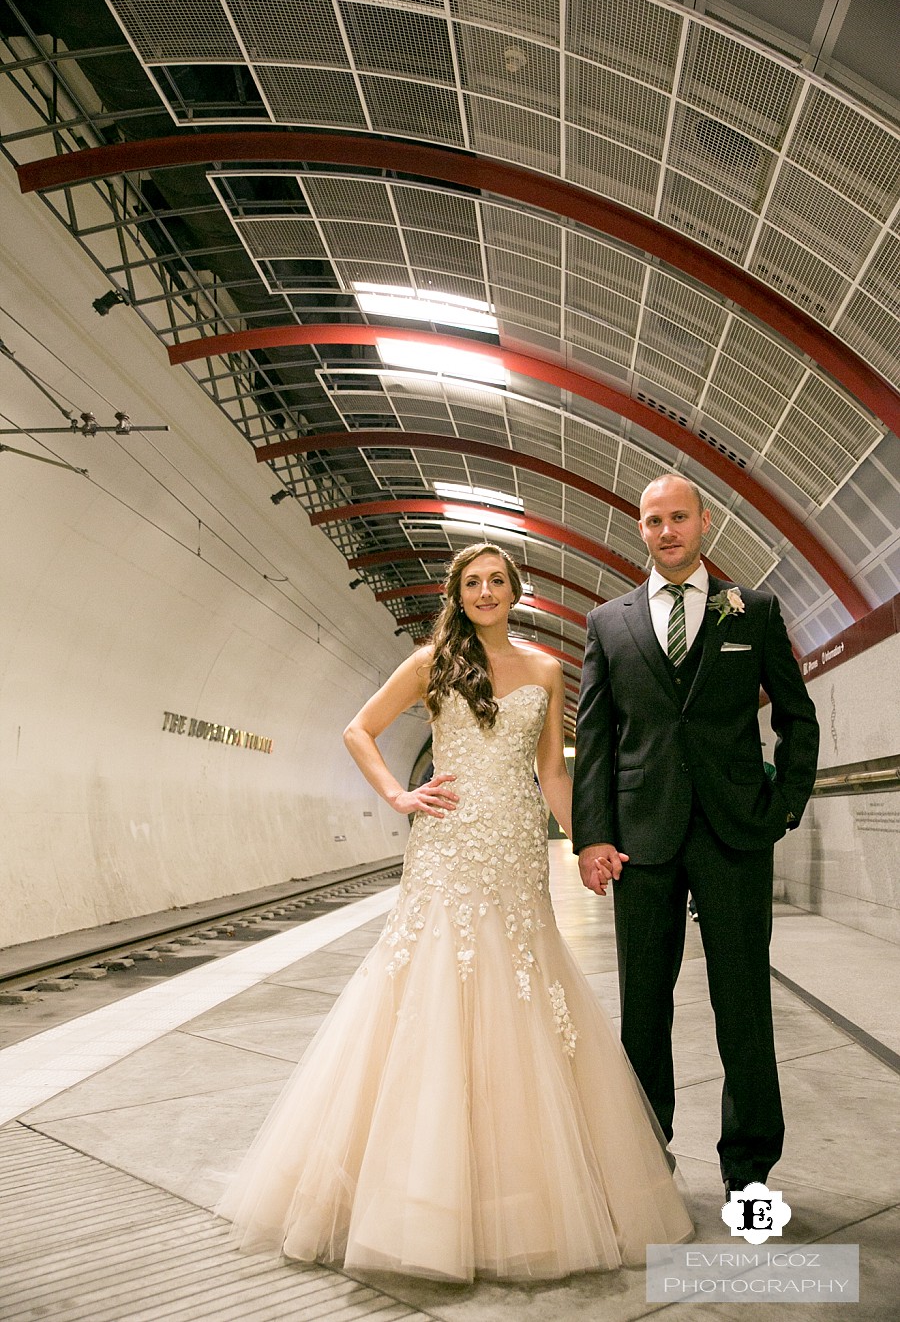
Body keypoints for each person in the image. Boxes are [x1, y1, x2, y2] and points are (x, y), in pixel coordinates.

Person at [216, 542, 692, 1281]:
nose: (485, 592)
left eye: (497, 581)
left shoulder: (542, 670)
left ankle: (514, 1193)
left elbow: (552, 770)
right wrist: (400, 796)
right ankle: (419, 1196)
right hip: (446, 850)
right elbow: (358, 729)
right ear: (457, 593)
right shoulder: (430, 663)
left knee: (524, 994)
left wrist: (587, 842)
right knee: (431, 992)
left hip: (515, 850)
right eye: (472, 583)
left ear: (515, 590)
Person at [572, 475, 819, 1199]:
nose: (666, 531)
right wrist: (593, 836)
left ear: (704, 522)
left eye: (679, 517)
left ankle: (749, 1170)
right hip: (640, 839)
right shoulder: (606, 623)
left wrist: (784, 806)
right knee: (643, 1007)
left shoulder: (756, 611)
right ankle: (647, 1154)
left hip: (735, 833)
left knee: (742, 1003)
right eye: (653, 521)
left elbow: (796, 718)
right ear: (640, 530)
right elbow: (594, 741)